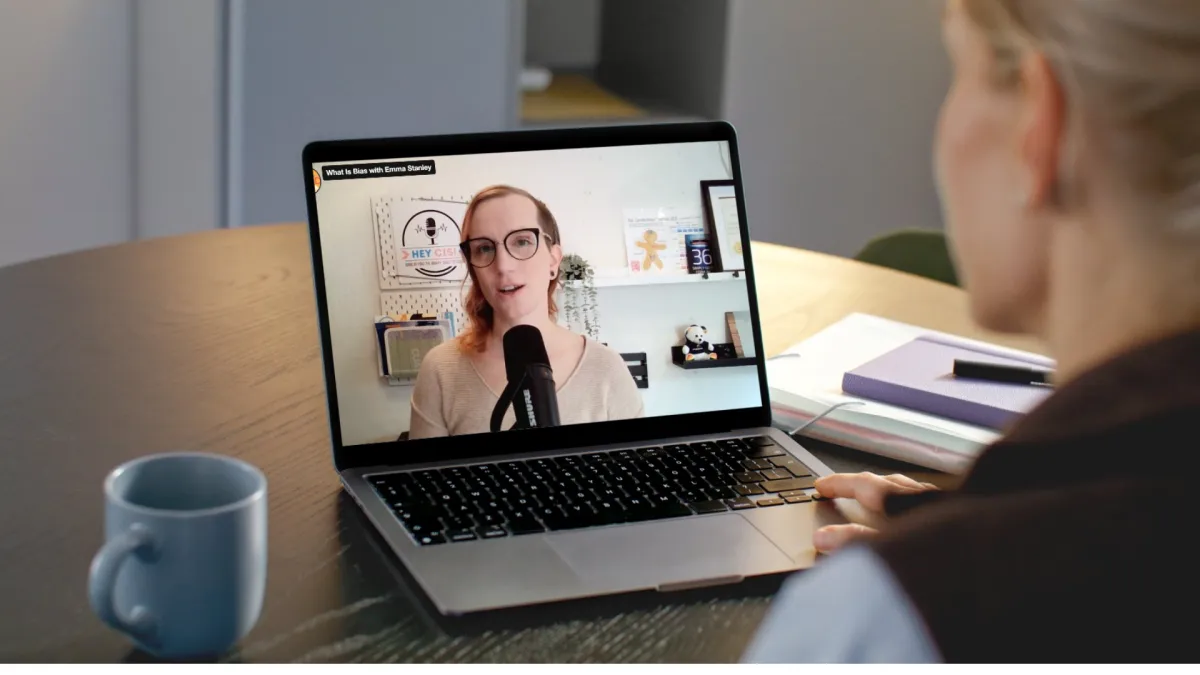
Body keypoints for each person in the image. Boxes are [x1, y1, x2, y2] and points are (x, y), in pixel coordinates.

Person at [744, 0, 1200, 663]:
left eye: (958, 71)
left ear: (1041, 127)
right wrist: (980, 519)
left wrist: (964, 549)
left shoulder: (888, 625)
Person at [408, 185, 644, 438]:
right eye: (484, 248)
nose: (503, 266)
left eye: (522, 241)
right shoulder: (441, 369)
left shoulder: (606, 369)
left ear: (553, 261)